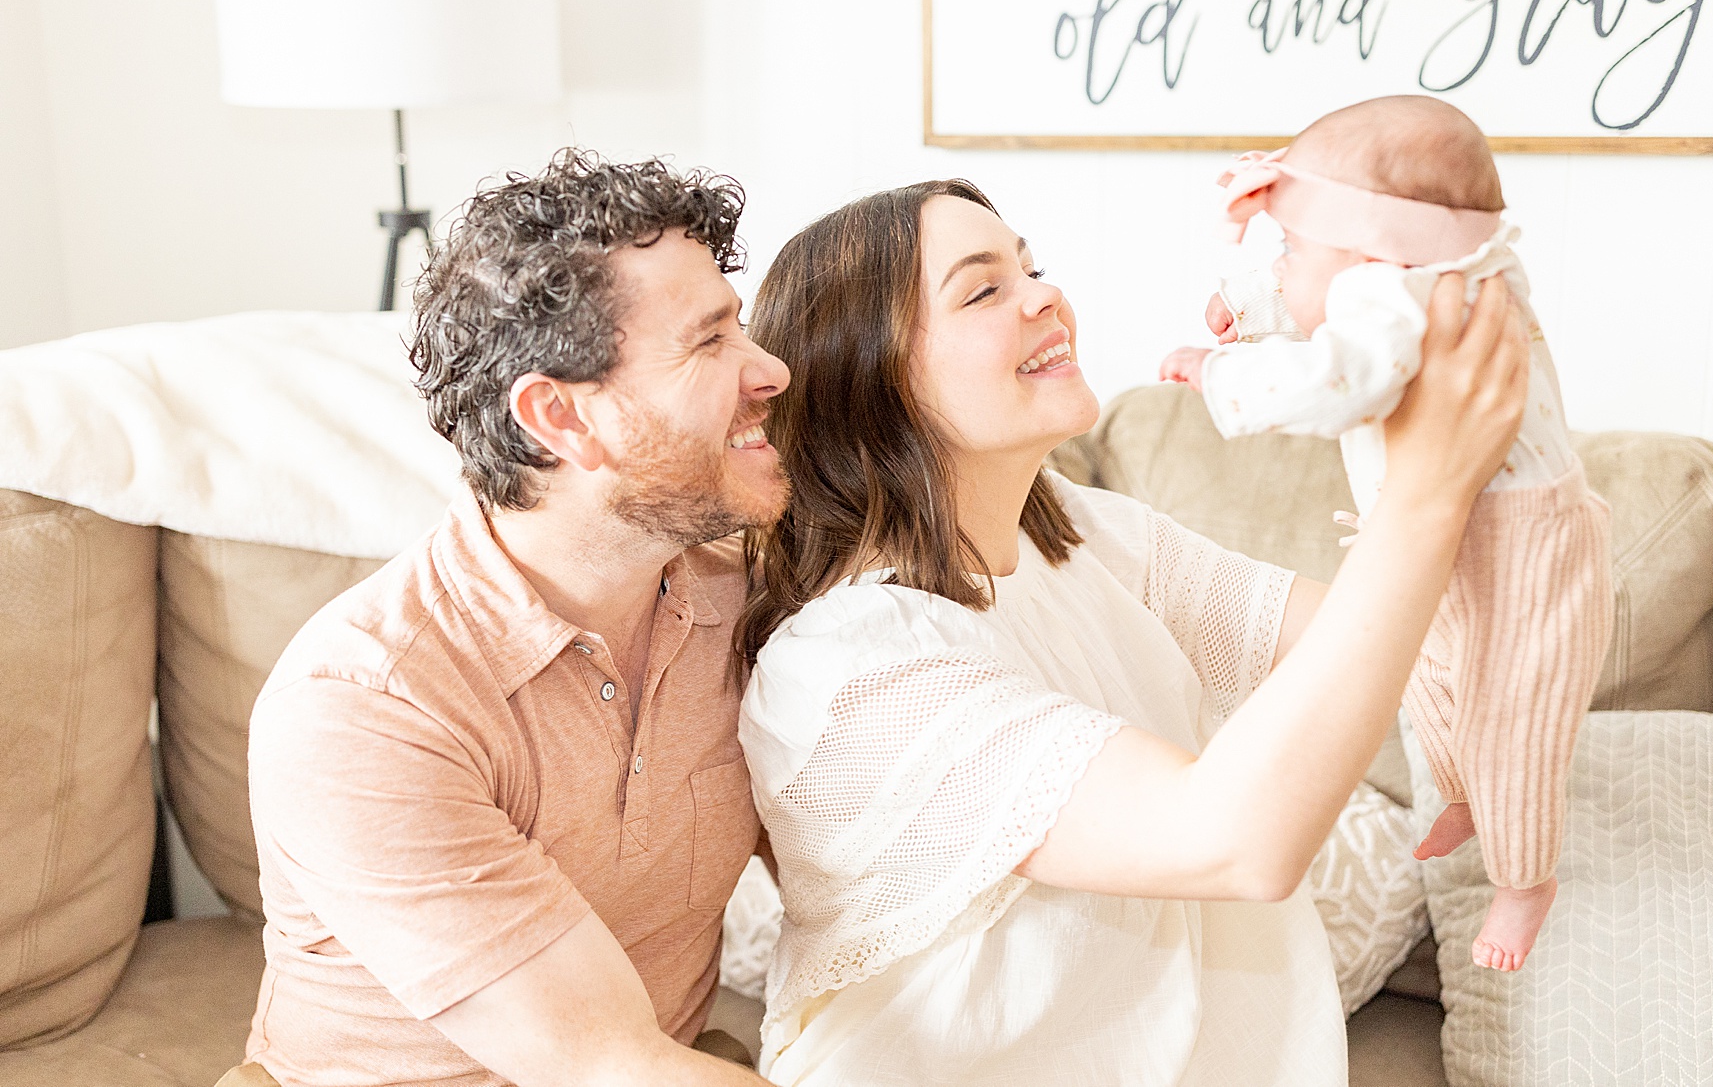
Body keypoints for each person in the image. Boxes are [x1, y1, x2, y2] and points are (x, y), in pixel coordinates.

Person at [731, 177, 1528, 1085]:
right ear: (868, 376)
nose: (1045, 296)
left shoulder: (1080, 533)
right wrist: (1423, 500)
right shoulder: (847, 666)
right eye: (984, 289)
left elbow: (1379, 638)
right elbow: (1234, 837)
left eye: (1033, 267)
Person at [229, 150, 787, 1087]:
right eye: (709, 341)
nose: (769, 367)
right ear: (561, 419)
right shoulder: (365, 703)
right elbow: (608, 1062)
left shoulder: (750, 608)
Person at [1160, 96, 1612, 971]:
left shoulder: (1397, 293)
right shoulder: (1432, 276)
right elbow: (1336, 304)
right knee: (1428, 671)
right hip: (1448, 524)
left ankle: (1525, 880)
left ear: (1374, 249)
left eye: (1287, 248)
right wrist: (1252, 306)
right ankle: (1463, 795)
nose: (1281, 263)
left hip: (1523, 543)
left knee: (1511, 707)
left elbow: (1342, 377)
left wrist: (1228, 370)